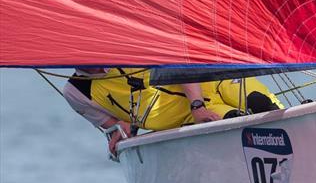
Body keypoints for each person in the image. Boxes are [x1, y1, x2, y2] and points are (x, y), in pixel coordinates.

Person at [64, 68, 283, 157]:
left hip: (214, 83)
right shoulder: (77, 91)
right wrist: (120, 133)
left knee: (264, 105)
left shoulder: (126, 44)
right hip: (188, 116)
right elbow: (120, 126)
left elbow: (180, 58)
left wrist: (197, 105)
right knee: (233, 119)